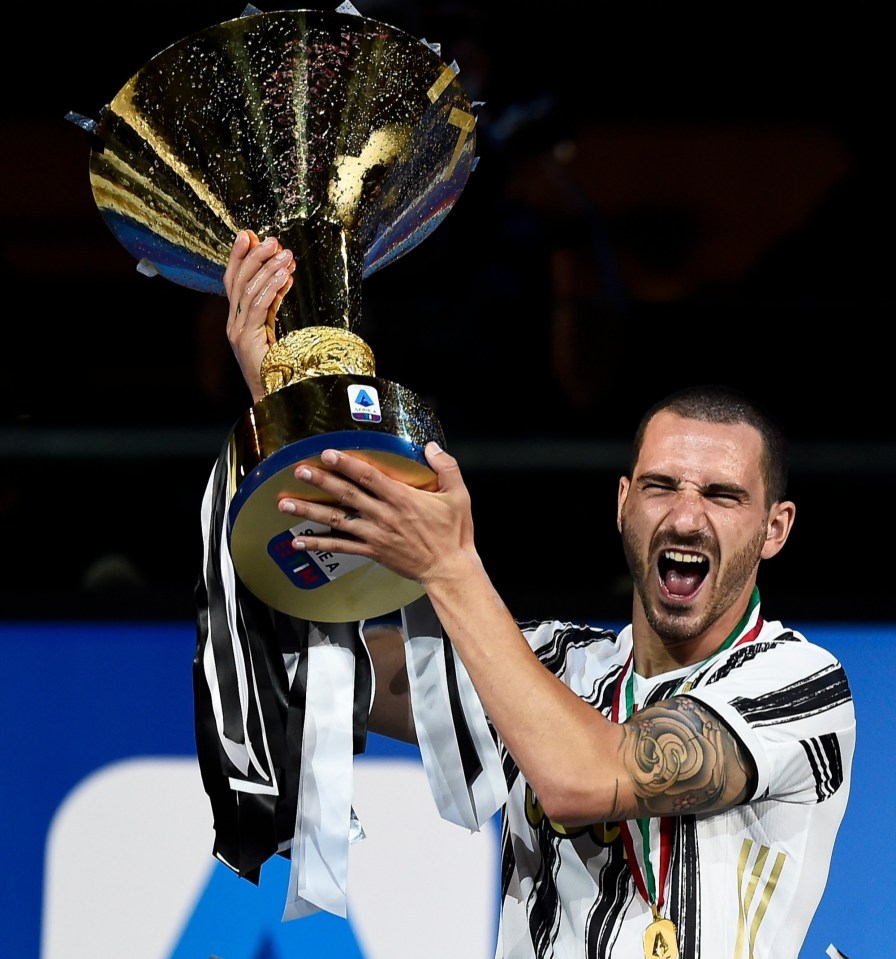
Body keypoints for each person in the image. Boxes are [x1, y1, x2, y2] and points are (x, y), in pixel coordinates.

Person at [206, 230, 856, 958]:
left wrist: (451, 565)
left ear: (775, 528)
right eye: (660, 485)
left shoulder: (799, 685)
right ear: (622, 503)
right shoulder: (548, 661)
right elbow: (312, 676)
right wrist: (291, 425)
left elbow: (586, 777)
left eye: (722, 495)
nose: (683, 514)